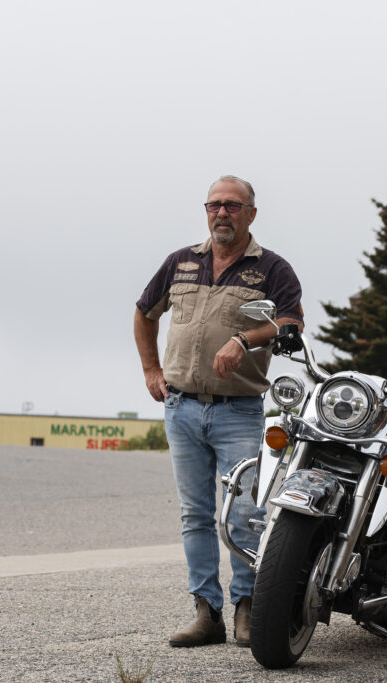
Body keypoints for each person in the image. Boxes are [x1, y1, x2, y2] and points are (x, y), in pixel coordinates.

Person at [133, 175, 304, 648]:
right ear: (206, 211)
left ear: (252, 213)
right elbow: (145, 312)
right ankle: (205, 614)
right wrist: (151, 369)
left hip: (238, 411)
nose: (222, 213)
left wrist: (242, 339)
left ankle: (247, 609)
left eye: (232, 205)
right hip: (181, 407)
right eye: (214, 205)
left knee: (245, 515)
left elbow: (291, 322)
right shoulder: (181, 262)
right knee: (195, 515)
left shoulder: (271, 268)